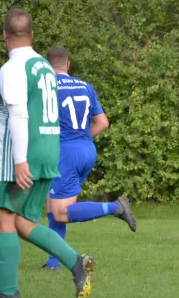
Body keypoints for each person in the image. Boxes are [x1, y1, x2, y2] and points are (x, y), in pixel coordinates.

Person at [0, 8, 94, 298]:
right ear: (32, 35)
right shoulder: (44, 66)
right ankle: (76, 262)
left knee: (1, 217)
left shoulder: (12, 68)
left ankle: (8, 294)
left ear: (4, 35)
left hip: (21, 156)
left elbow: (18, 113)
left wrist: (19, 159)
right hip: (48, 151)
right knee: (21, 222)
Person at [41, 46, 136, 271]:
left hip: (64, 153)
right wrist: (82, 138)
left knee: (60, 212)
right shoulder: (85, 86)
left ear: (46, 66)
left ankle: (114, 207)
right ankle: (53, 263)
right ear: (68, 64)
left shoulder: (46, 87)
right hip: (86, 149)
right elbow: (102, 122)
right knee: (53, 204)